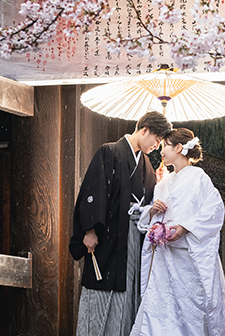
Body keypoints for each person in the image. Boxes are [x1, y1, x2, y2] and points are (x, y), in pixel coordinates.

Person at [70, 111, 172, 336]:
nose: (156, 146)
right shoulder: (109, 151)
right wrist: (89, 230)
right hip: (107, 237)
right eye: (156, 139)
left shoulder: (146, 165)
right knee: (100, 292)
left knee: (126, 297)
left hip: (132, 238)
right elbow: (92, 191)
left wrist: (159, 182)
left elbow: (148, 203)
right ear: (144, 129)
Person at [130, 128, 225, 336]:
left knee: (190, 312)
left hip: (187, 258)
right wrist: (153, 211)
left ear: (179, 148)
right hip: (165, 259)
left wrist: (185, 227)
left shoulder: (199, 178)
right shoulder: (163, 183)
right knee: (160, 310)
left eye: (166, 145)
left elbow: (214, 210)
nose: (161, 150)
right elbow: (149, 221)